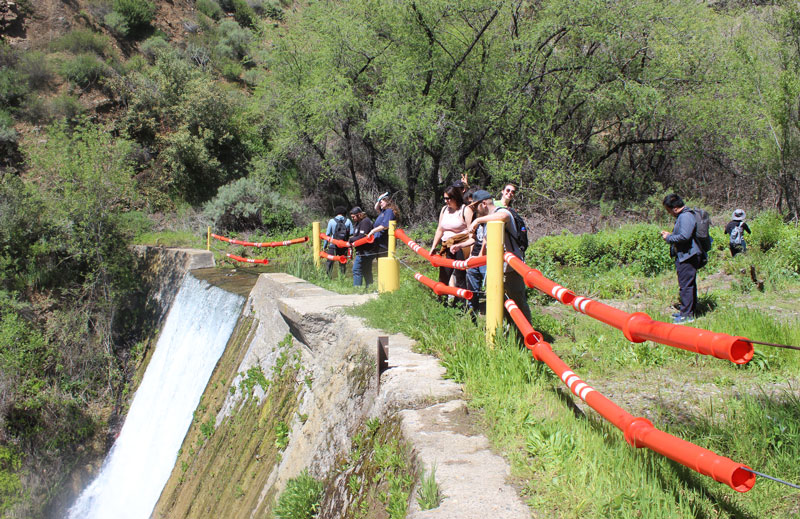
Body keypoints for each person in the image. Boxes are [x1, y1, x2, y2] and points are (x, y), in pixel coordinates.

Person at [468, 189, 532, 324]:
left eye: (475, 206)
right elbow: (485, 246)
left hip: (511, 269)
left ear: (483, 204)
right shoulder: (489, 219)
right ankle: (510, 334)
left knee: (517, 303)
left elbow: (504, 217)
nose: (474, 210)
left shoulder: (501, 212)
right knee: (503, 304)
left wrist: (478, 220)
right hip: (497, 270)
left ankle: (527, 338)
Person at [660, 194, 702, 324]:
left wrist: (669, 238)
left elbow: (685, 237)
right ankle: (687, 311)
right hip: (685, 255)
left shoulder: (685, 216)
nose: (669, 213)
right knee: (688, 284)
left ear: (675, 208)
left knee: (686, 286)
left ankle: (686, 315)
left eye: (668, 210)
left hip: (688, 256)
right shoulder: (684, 216)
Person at [429, 185, 471, 305]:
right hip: (446, 245)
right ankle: (442, 303)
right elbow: (440, 229)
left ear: (455, 197)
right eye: (445, 198)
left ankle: (461, 305)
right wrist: (433, 246)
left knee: (460, 277)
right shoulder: (444, 210)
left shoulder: (464, 210)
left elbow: (471, 230)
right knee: (444, 276)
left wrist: (461, 244)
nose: (446, 201)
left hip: (460, 246)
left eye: (448, 198)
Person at [323, 206, 354, 277]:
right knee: (342, 263)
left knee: (329, 262)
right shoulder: (348, 221)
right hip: (344, 245)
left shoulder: (331, 221)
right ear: (344, 213)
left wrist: (324, 246)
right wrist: (350, 247)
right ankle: (342, 278)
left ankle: (328, 278)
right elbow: (352, 234)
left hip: (333, 245)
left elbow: (327, 235)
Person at [349, 207, 375, 288]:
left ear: (359, 215)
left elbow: (361, 237)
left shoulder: (365, 222)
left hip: (366, 251)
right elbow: (356, 236)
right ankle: (369, 287)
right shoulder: (358, 223)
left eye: (354, 217)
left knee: (356, 270)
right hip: (360, 250)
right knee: (366, 270)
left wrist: (351, 239)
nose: (353, 219)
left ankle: (357, 288)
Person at [369, 192, 400, 257]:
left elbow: (385, 226)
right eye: (379, 202)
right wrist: (379, 199)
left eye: (381, 202)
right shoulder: (383, 211)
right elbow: (376, 207)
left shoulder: (389, 211)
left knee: (383, 264)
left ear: (387, 201)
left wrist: (372, 231)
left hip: (384, 244)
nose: (380, 204)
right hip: (378, 243)